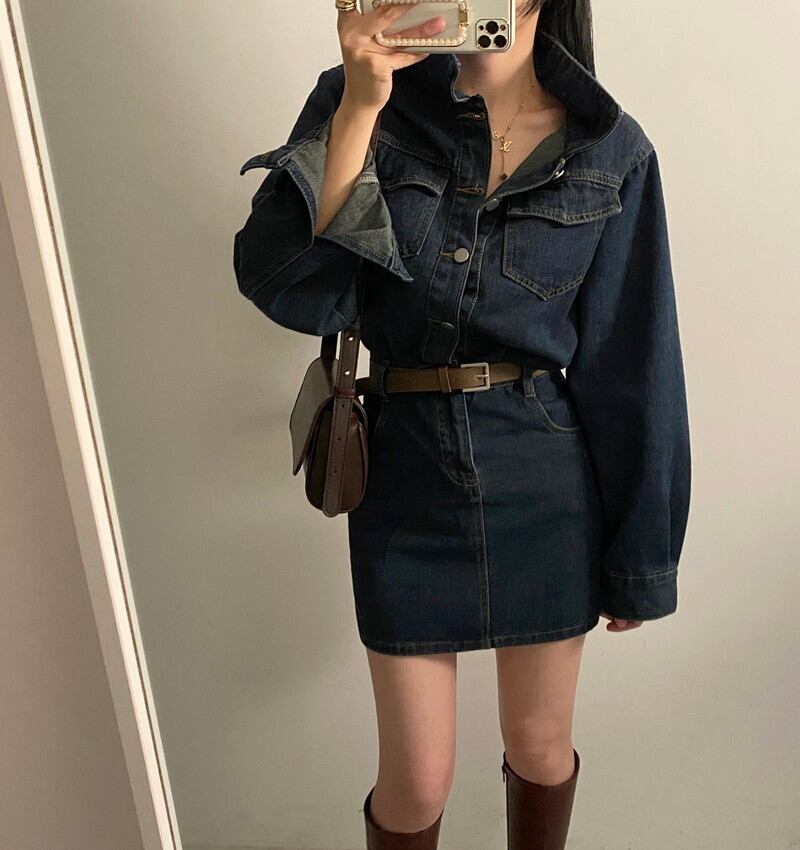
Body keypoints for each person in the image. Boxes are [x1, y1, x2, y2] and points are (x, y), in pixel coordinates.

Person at [233, 0, 691, 846]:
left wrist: (641, 558)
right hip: (404, 469)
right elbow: (291, 286)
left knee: (541, 748)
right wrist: (360, 107)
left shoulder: (609, 148)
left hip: (544, 476)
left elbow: (635, 363)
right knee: (417, 780)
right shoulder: (361, 100)